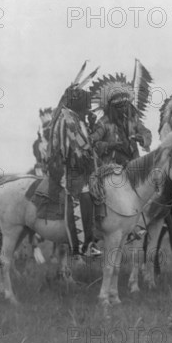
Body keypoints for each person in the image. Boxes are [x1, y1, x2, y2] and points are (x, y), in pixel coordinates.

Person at [46, 63, 101, 257]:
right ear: (78, 105)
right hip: (68, 169)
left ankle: (92, 238)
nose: (89, 109)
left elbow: (86, 145)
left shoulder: (77, 119)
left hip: (81, 168)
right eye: (86, 105)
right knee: (79, 199)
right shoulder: (67, 120)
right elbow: (77, 148)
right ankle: (78, 248)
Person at [89, 72, 153, 240]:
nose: (123, 108)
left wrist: (142, 139)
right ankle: (99, 224)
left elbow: (146, 133)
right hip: (110, 167)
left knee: (147, 192)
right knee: (101, 194)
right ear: (112, 107)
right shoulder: (104, 124)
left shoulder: (133, 121)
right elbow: (92, 142)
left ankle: (138, 224)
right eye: (119, 106)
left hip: (134, 165)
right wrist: (110, 145)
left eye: (125, 104)